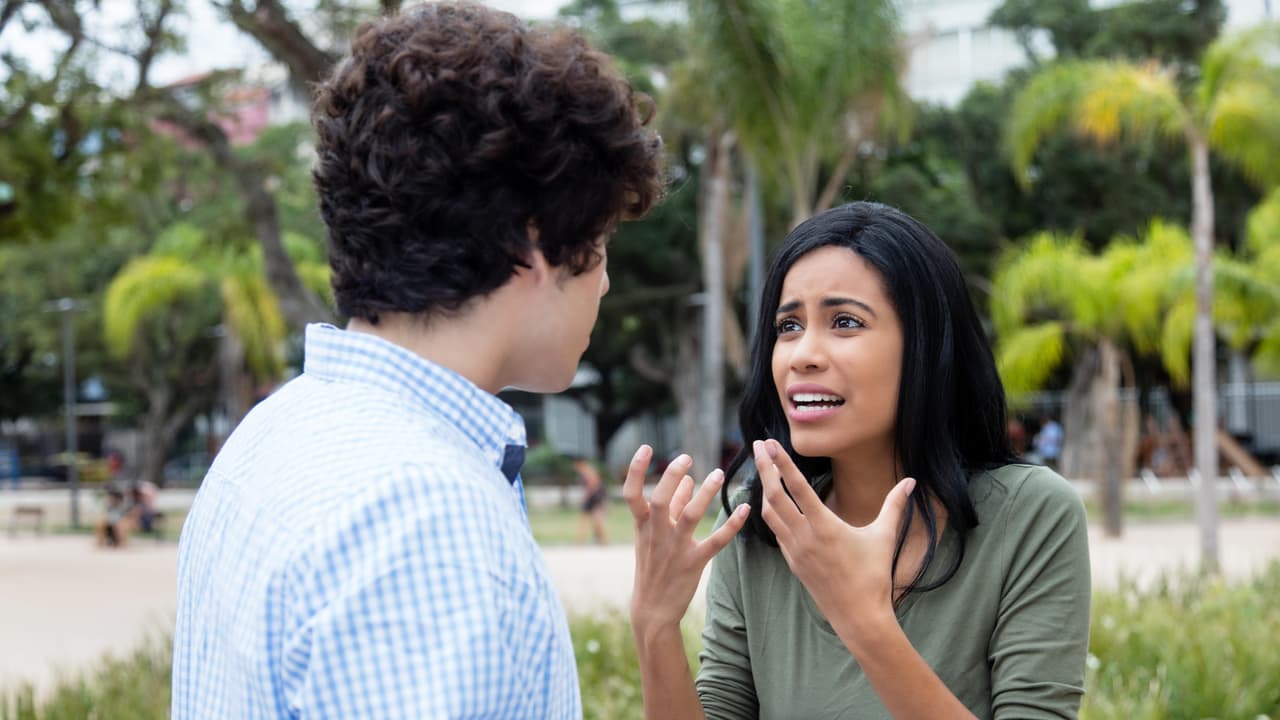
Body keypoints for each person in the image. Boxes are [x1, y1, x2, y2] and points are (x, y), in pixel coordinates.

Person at [171, 3, 663, 717]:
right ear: (532, 245)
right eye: (601, 242)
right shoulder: (426, 516)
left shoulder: (271, 434)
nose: (606, 282)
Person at [624, 202, 1090, 719]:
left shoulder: (1031, 515)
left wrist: (864, 621)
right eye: (788, 326)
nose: (802, 354)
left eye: (845, 322)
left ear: (926, 347)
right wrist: (654, 626)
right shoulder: (758, 520)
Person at [573, 456, 608, 545]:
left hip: (594, 497)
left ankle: (601, 541)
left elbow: (594, 484)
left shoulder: (587, 470)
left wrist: (586, 496)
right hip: (594, 497)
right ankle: (601, 541)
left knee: (594, 520)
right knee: (592, 520)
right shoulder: (586, 470)